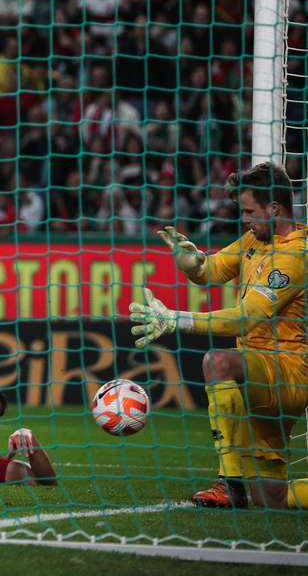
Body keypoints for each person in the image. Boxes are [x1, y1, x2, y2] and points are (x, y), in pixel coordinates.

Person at [129, 161, 307, 509]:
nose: (245, 219)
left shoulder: (295, 256)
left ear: (274, 208)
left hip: (287, 373)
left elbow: (244, 320)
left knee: (218, 362)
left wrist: (175, 320)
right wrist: (190, 259)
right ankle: (245, 487)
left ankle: (230, 483)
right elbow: (210, 269)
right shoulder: (254, 240)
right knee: (273, 499)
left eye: (250, 211)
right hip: (259, 376)